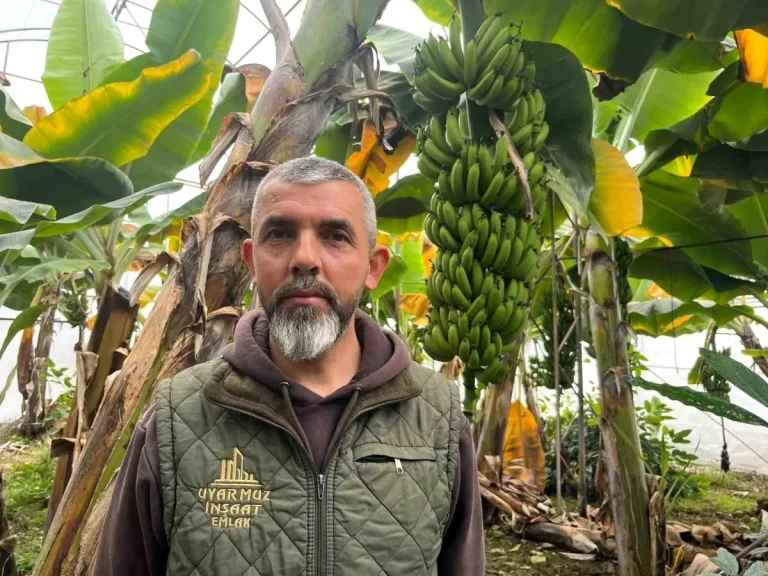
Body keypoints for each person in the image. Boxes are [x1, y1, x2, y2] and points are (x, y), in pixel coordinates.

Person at [92, 156, 485, 575]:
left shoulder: (437, 419)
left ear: (373, 267)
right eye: (279, 234)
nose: (304, 258)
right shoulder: (178, 417)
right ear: (252, 259)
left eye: (335, 236)